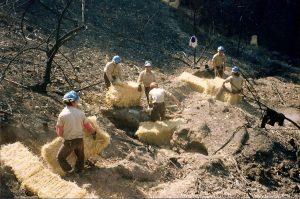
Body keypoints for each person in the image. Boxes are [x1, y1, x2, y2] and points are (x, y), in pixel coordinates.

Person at [56, 90, 96, 175]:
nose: (77, 102)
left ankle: (70, 171)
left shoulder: (62, 115)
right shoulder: (81, 113)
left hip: (69, 141)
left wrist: (63, 137)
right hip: (80, 140)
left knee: (60, 157)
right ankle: (80, 170)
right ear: (74, 102)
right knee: (80, 156)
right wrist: (93, 132)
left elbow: (59, 132)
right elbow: (88, 126)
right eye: (77, 101)